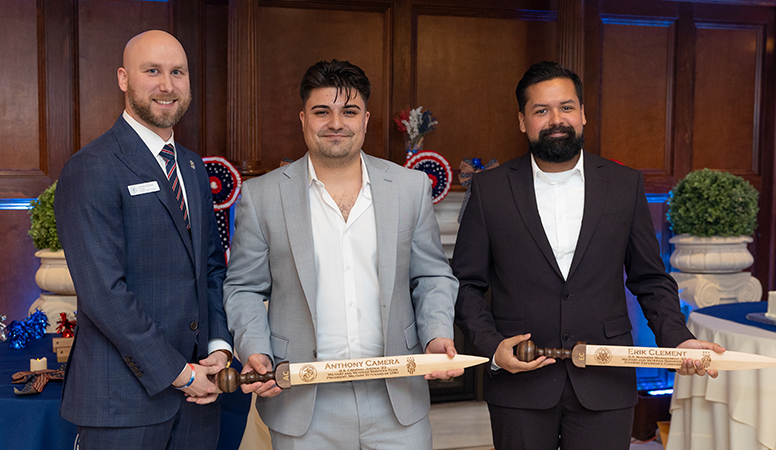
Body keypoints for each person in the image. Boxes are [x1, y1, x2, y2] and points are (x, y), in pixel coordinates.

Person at [452, 61, 724, 450]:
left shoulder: (623, 184)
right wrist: (492, 346)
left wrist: (677, 339)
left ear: (582, 114)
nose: (556, 119)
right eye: (541, 110)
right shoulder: (490, 190)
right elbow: (466, 284)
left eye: (566, 107)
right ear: (522, 121)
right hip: (519, 383)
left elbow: (650, 278)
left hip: (607, 381)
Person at [223, 59, 460, 449]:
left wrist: (436, 335)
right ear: (303, 119)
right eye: (322, 111)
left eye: (349, 111)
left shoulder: (410, 188)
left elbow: (431, 275)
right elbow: (244, 288)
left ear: (366, 119)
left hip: (396, 395)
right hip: (302, 399)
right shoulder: (262, 196)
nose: (336, 123)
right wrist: (255, 350)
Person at [55, 30, 234, 449]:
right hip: (123, 405)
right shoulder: (91, 168)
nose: (167, 85)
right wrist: (181, 373)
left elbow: (210, 268)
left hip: (199, 403)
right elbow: (104, 293)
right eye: (151, 71)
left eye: (177, 72)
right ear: (123, 78)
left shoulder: (191, 167)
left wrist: (219, 349)